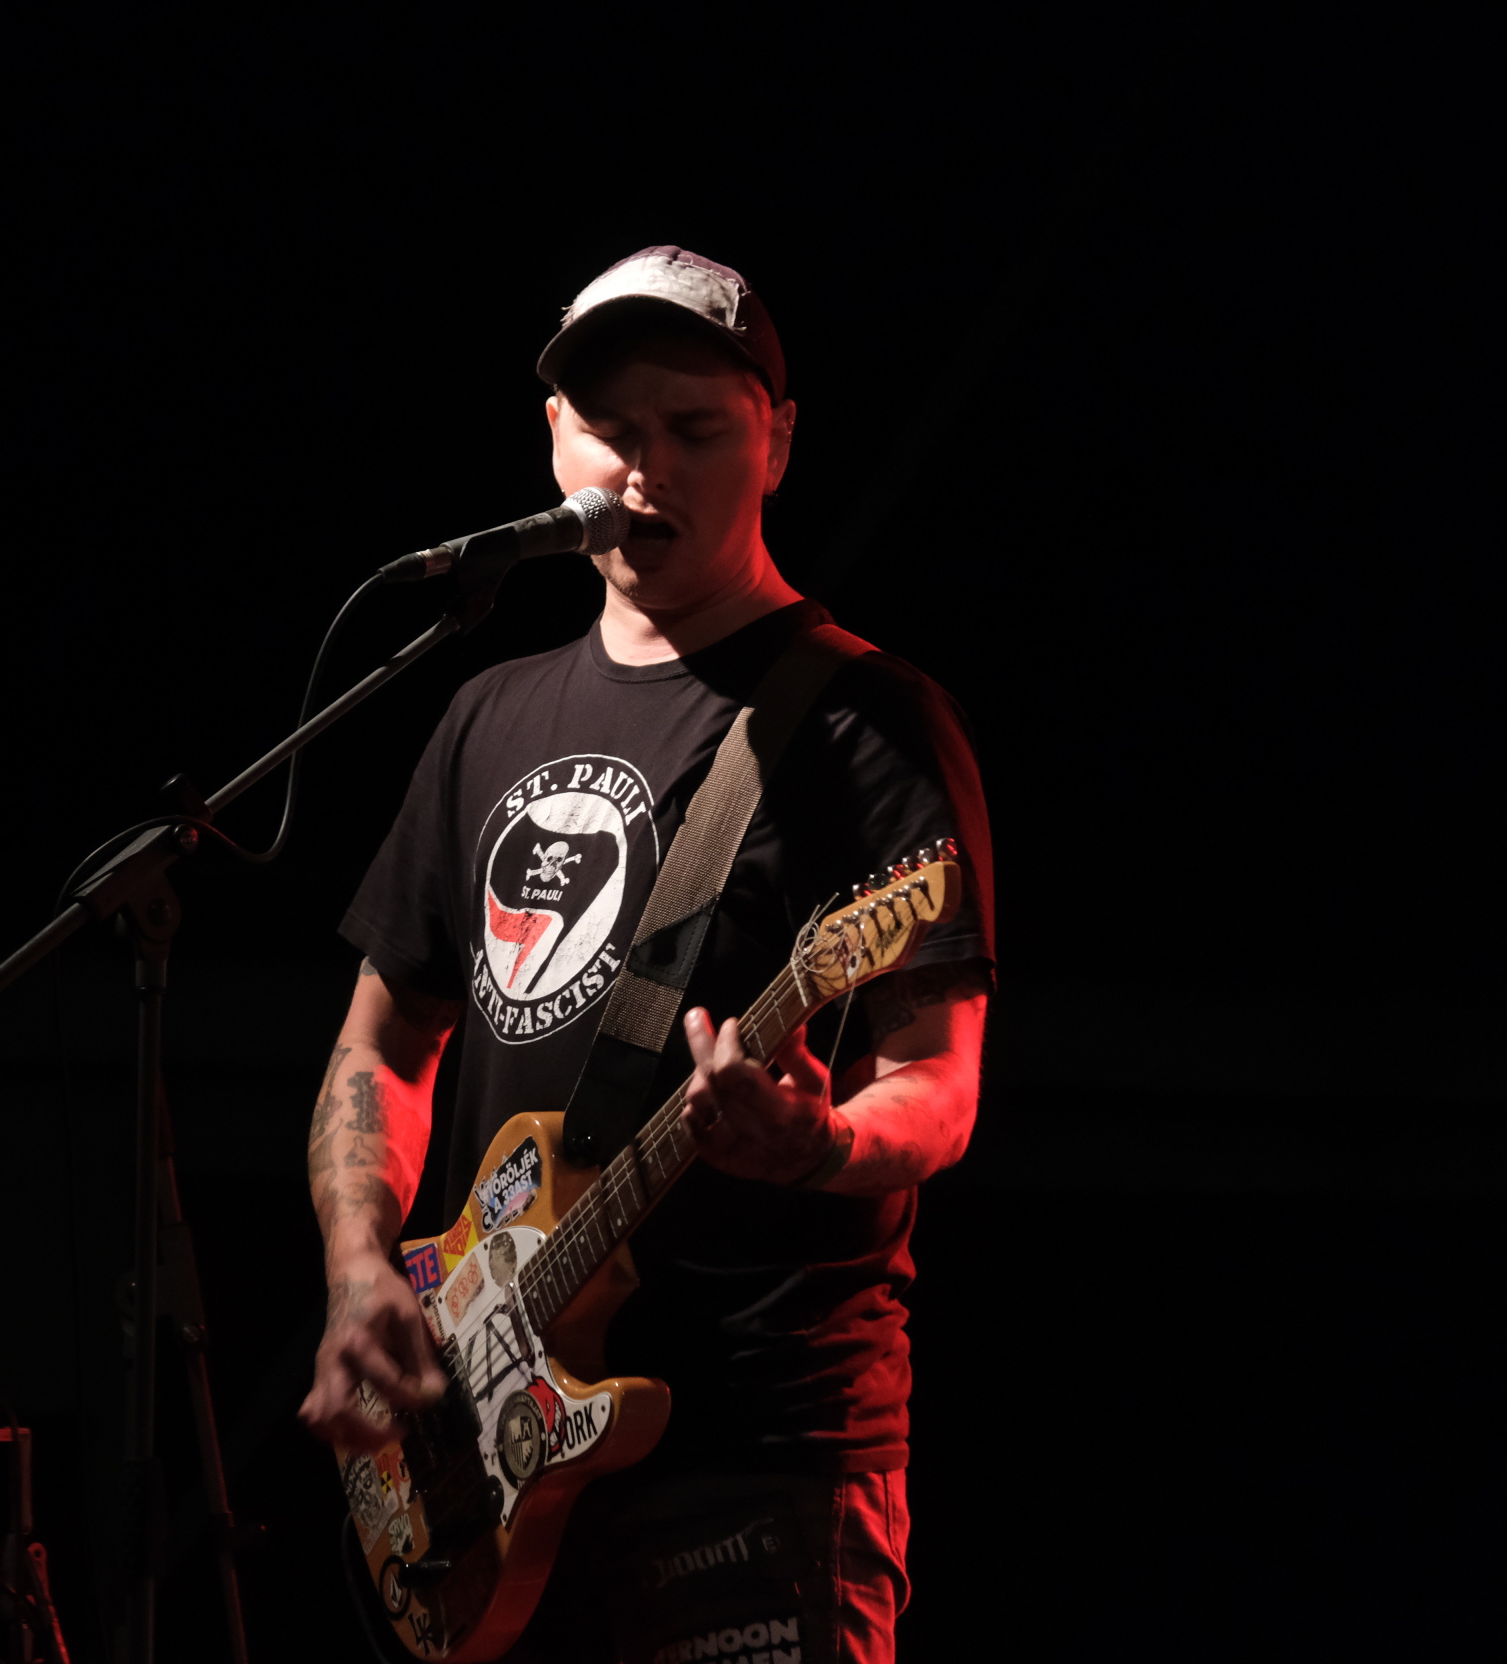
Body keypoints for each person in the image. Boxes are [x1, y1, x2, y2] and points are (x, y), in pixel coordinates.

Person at [298, 247, 996, 1663]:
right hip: (489, 1440)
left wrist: (816, 1143)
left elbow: (939, 1085)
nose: (646, 468)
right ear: (556, 438)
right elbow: (382, 1042)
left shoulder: (866, 722)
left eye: (697, 430)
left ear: (776, 443)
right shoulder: (486, 713)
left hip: (758, 1452)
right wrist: (361, 1267)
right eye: (614, 429)